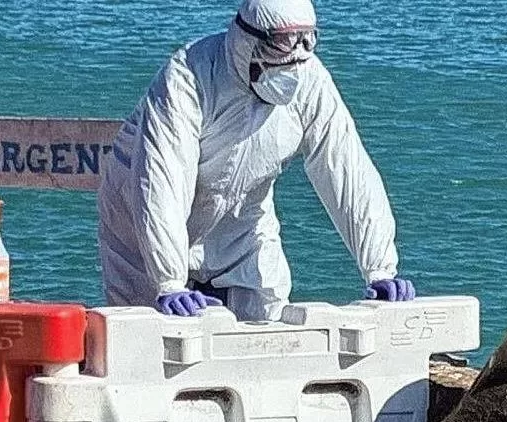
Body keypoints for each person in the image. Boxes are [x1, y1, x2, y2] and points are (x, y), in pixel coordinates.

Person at [97, 0, 415, 320]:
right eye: (281, 42)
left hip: (243, 223)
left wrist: (380, 268)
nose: (293, 56)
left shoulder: (310, 79)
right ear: (248, 40)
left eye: (306, 40)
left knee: (268, 326)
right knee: (147, 335)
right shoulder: (187, 77)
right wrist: (168, 281)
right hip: (139, 227)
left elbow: (347, 171)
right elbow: (161, 180)